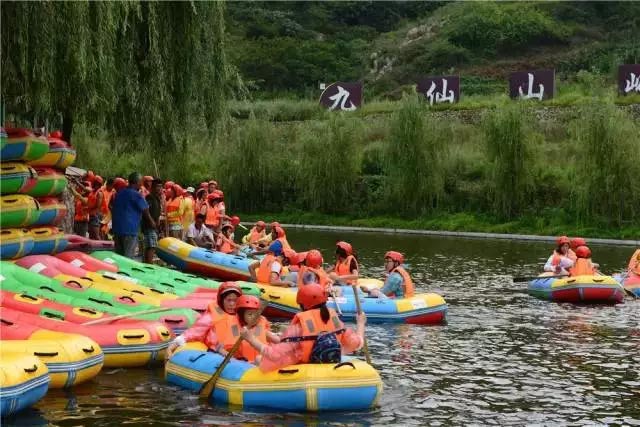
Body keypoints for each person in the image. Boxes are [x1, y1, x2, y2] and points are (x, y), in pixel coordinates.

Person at [240, 282, 366, 372]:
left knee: (259, 359)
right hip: (329, 365)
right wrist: (360, 323)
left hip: (305, 369)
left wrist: (251, 339)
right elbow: (357, 343)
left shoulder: (298, 327)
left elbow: (274, 355)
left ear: (303, 305)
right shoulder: (335, 320)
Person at [166, 282, 243, 358]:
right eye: (228, 300)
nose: (232, 304)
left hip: (237, 355)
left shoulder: (241, 317)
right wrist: (172, 346)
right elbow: (194, 332)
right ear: (222, 300)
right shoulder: (211, 317)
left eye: (235, 300)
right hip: (215, 353)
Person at [111, 172, 155, 258]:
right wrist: (151, 222)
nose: (141, 185)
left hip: (117, 229)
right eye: (140, 182)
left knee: (119, 256)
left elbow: (112, 207)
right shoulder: (136, 195)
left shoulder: (119, 193)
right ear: (137, 182)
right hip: (129, 230)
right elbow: (145, 209)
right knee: (128, 257)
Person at [233, 295, 281, 363]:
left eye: (256, 314)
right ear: (241, 315)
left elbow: (276, 340)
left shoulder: (260, 326)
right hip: (245, 364)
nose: (254, 317)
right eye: (250, 314)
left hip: (261, 360)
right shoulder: (234, 329)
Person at [142, 179, 163, 264]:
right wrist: (151, 221)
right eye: (157, 186)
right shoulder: (149, 197)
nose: (159, 188)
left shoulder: (157, 198)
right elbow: (145, 210)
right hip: (148, 225)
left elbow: (157, 212)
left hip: (154, 225)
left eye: (160, 186)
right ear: (153, 187)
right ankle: (149, 264)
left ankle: (147, 264)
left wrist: (157, 221)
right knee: (151, 246)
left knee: (150, 245)